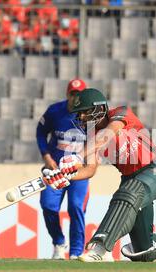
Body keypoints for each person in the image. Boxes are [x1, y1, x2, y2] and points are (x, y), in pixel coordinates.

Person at [42, 88, 156, 262]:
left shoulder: (120, 113)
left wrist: (77, 156)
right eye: (78, 114)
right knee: (143, 252)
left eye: (84, 112)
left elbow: (107, 135)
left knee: (128, 193)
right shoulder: (91, 136)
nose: (81, 117)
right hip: (132, 179)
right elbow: (89, 169)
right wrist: (66, 176)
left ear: (99, 109)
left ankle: (100, 247)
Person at [36, 79, 90, 260]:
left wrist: (87, 164)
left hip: (78, 173)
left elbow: (97, 142)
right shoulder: (54, 111)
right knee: (48, 206)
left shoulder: (90, 116)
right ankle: (59, 242)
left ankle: (76, 252)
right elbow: (40, 132)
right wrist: (46, 156)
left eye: (79, 94)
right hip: (55, 170)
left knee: (76, 208)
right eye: (73, 94)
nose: (76, 98)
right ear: (67, 94)